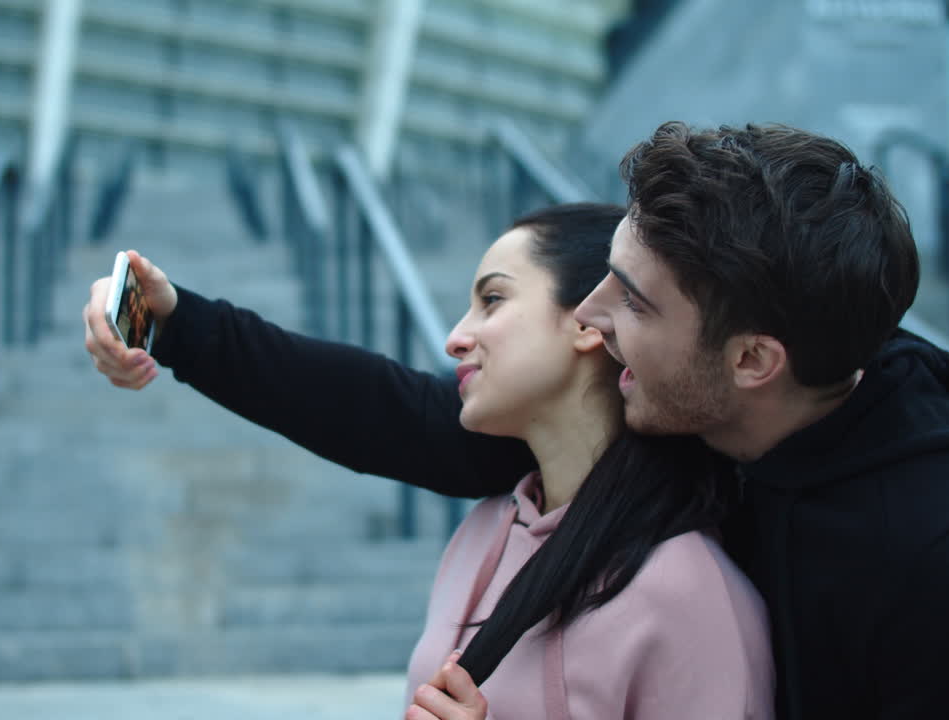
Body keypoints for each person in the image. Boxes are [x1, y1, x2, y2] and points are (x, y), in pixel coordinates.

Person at [86, 121, 949, 719]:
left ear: (753, 361)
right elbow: (393, 413)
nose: (590, 320)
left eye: (629, 302)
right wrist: (180, 325)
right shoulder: (647, 446)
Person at [83, 204, 775, 719]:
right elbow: (371, 406)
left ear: (592, 320)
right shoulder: (484, 533)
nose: (453, 338)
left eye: (493, 300)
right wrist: (168, 322)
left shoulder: (687, 591)